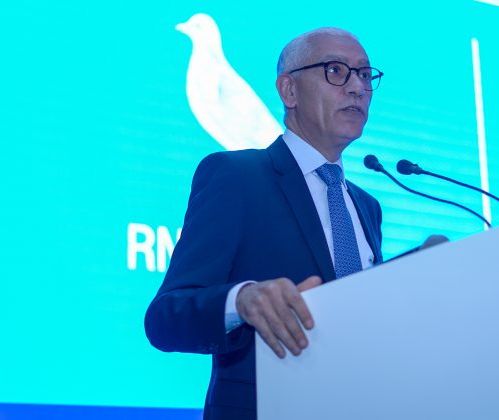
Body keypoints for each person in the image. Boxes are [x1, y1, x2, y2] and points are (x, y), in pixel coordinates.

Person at [145, 27, 384, 420]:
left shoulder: (367, 206)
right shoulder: (236, 176)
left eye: (364, 74)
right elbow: (166, 317)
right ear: (289, 90)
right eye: (337, 71)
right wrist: (240, 301)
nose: (357, 87)